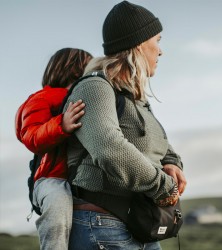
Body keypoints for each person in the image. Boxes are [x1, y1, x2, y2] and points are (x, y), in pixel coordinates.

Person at [64, 1, 187, 249]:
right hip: (102, 224)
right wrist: (163, 188)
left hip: (139, 224)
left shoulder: (135, 98)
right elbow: (109, 147)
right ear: (140, 43)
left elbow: (159, 140)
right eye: (158, 40)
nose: (161, 51)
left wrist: (171, 162)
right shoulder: (94, 87)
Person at [15, 48, 93, 250]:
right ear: (75, 69)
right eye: (90, 66)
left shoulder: (88, 96)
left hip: (78, 178)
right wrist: (61, 124)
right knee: (58, 209)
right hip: (51, 179)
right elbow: (31, 136)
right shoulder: (43, 98)